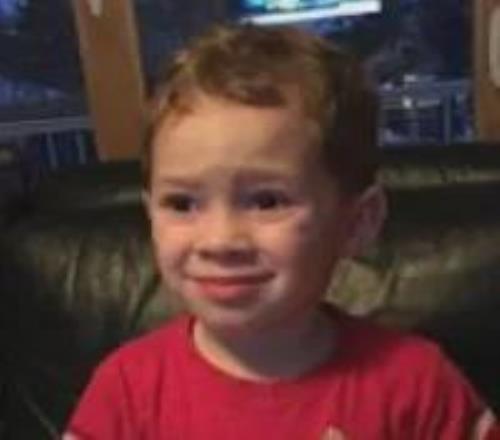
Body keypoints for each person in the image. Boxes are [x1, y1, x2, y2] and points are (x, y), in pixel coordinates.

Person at [64, 24, 498, 439]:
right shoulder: (125, 391)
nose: (220, 241)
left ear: (357, 223)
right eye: (182, 204)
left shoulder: (418, 385)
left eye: (267, 201)